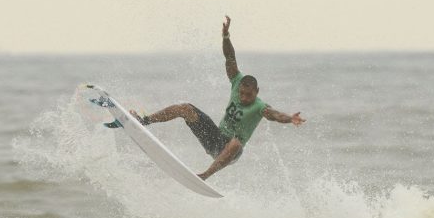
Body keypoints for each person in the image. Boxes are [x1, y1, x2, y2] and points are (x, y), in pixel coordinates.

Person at [130, 16, 306, 180]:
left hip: (231, 152)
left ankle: (204, 176)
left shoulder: (260, 107)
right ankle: (145, 120)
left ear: (257, 92)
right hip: (214, 138)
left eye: (249, 95)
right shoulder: (237, 81)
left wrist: (290, 118)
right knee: (186, 108)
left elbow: (274, 115)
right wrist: (226, 36)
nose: (244, 98)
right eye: (242, 93)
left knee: (237, 143)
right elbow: (230, 57)